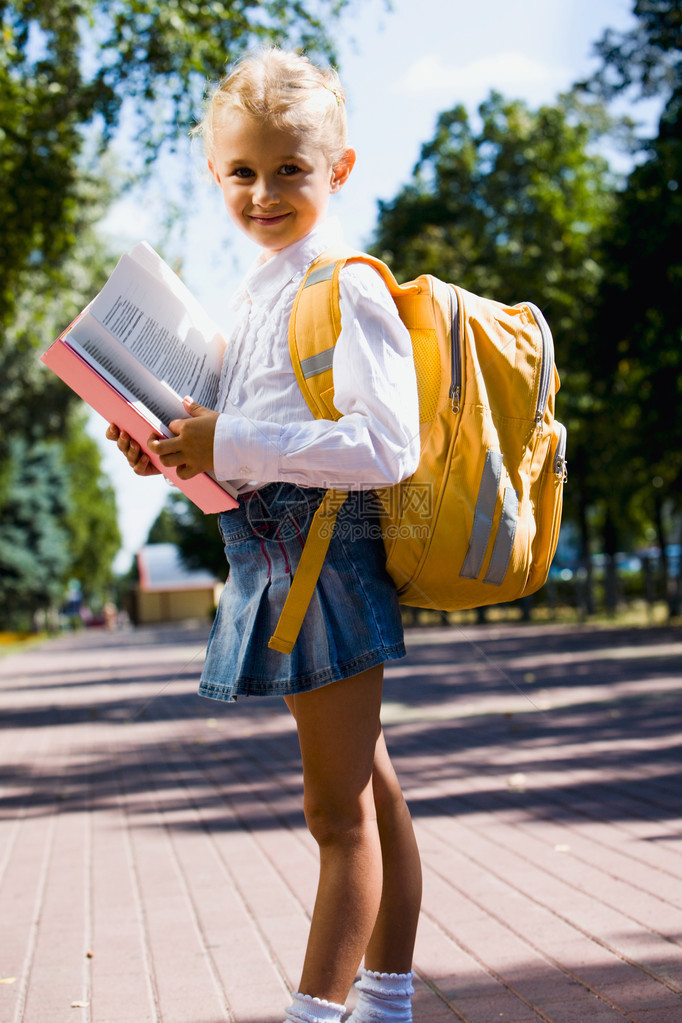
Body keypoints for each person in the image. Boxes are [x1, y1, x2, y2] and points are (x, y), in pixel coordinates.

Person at [106, 48, 422, 1023]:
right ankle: (389, 1000)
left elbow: (386, 446)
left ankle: (319, 1013)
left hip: (328, 563)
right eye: (243, 171)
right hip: (274, 564)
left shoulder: (346, 288)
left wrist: (228, 436)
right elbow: (238, 461)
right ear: (215, 176)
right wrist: (166, 451)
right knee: (367, 790)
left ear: (340, 169)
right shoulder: (245, 304)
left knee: (334, 816)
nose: (265, 190)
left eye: (291, 167)